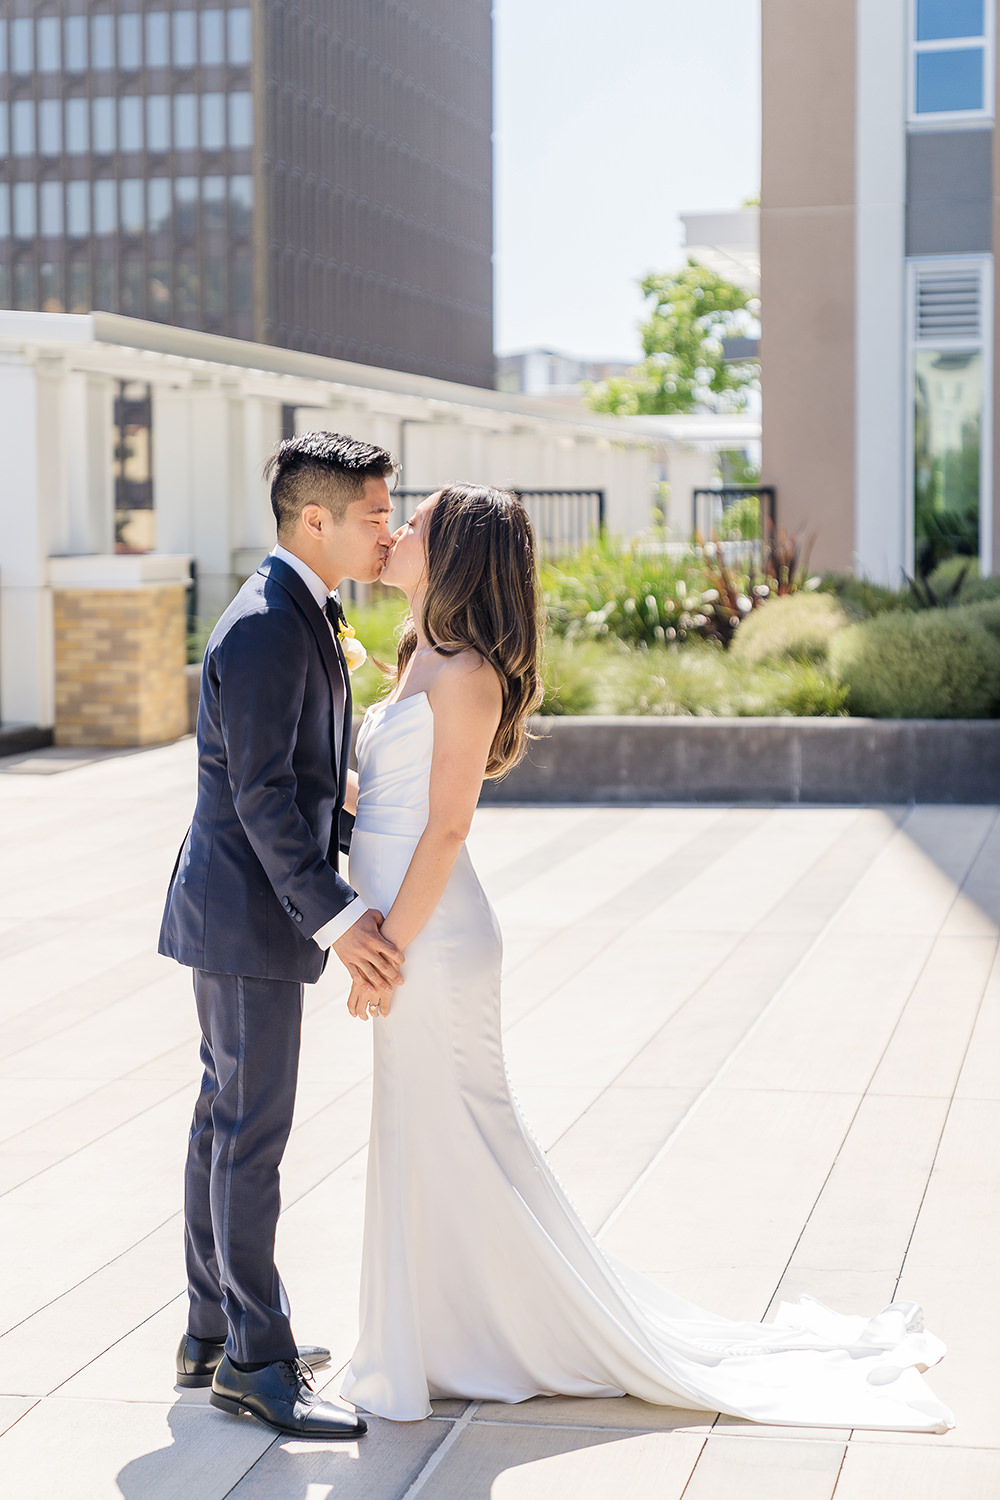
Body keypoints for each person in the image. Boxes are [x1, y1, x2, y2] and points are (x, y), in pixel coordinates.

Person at [338, 483, 955, 1434]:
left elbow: (448, 827)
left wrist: (387, 947)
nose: (398, 529)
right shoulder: (421, 658)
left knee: (461, 1132)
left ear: (454, 552)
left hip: (434, 939)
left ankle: (504, 1333)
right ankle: (449, 1332)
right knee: (430, 1136)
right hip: (400, 931)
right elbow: (380, 799)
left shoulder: (465, 675)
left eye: (415, 521)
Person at [159, 431, 405, 1440]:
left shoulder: (305, 609)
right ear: (317, 520)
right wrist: (341, 916)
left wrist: (349, 827)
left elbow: (302, 782)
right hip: (245, 914)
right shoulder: (266, 624)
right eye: (376, 516)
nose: (389, 532)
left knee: (226, 1117)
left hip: (238, 910)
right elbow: (261, 799)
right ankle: (255, 1363)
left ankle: (213, 1334)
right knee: (249, 1132)